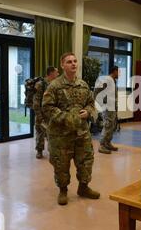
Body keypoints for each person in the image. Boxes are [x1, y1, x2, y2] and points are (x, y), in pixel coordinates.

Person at [42, 53, 100, 205]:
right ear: (62, 65)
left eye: (75, 61)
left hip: (81, 133)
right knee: (61, 164)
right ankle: (63, 190)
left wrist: (88, 111)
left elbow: (91, 103)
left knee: (86, 161)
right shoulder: (54, 86)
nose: (73, 64)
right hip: (61, 135)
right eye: (69, 62)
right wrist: (67, 118)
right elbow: (47, 107)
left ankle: (83, 187)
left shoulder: (83, 85)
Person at [33, 66, 59, 159]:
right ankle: (39, 151)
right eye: (56, 72)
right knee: (40, 132)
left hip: (51, 113)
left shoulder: (55, 84)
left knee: (52, 133)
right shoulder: (40, 84)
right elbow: (36, 102)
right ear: (51, 73)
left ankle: (52, 151)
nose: (58, 74)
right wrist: (39, 116)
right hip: (41, 113)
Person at [95, 66, 119, 154]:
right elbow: (97, 90)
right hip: (107, 106)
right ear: (114, 71)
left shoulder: (113, 80)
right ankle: (101, 145)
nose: (119, 74)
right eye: (118, 72)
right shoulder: (107, 79)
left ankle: (107, 143)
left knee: (112, 125)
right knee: (107, 125)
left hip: (112, 106)